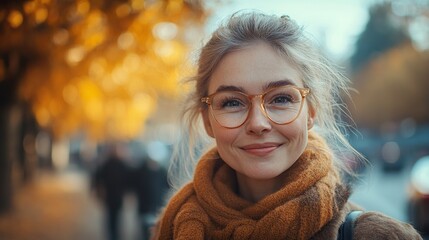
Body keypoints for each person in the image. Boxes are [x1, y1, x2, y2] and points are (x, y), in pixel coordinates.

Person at [151, 11, 423, 239]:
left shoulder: (377, 236)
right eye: (232, 103)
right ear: (207, 120)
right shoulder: (172, 228)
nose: (258, 123)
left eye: (281, 98)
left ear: (310, 112)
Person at [92, 143, 131, 240]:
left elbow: (128, 181)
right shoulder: (110, 164)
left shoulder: (118, 164)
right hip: (111, 196)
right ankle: (113, 236)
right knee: (112, 218)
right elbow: (97, 178)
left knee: (114, 218)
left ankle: (114, 236)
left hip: (115, 197)